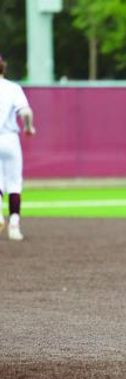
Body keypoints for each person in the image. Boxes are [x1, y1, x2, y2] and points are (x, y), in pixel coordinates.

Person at [0, 54, 36, 241]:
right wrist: (28, 127)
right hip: (9, 139)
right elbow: (26, 112)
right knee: (14, 183)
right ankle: (14, 225)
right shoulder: (13, 88)